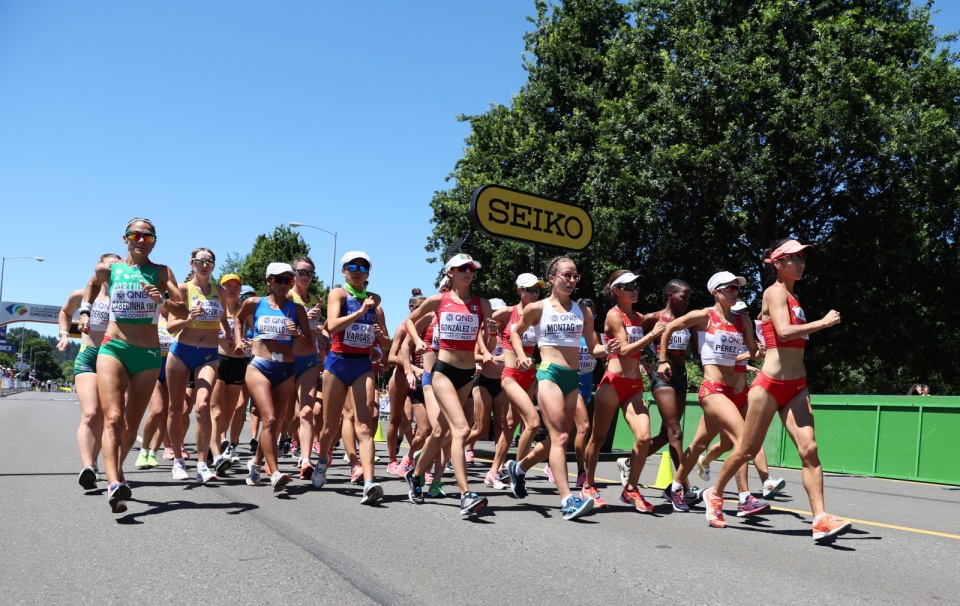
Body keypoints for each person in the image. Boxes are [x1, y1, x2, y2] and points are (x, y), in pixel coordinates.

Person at [712, 239, 851, 541]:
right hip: (770, 385)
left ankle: (820, 519)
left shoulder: (794, 296)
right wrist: (823, 323)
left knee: (810, 450)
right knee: (747, 450)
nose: (800, 263)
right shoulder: (774, 292)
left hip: (797, 385)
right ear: (777, 263)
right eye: (793, 258)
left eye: (803, 258)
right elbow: (785, 331)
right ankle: (716, 492)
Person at [79, 218, 187, 513]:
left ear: (154, 242)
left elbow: (182, 307)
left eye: (147, 237)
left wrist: (162, 298)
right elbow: (91, 284)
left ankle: (117, 468)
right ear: (125, 238)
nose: (141, 240)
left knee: (129, 423)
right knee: (112, 417)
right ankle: (114, 484)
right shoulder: (109, 269)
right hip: (114, 347)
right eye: (135, 235)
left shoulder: (162, 272)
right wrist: (86, 311)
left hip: (148, 354)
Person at [504, 256, 618, 521]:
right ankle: (567, 499)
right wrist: (521, 355)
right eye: (566, 275)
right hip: (549, 375)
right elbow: (515, 333)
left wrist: (608, 349)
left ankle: (518, 468)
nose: (571, 280)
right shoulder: (538, 308)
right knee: (562, 439)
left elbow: (594, 348)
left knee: (554, 440)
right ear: (552, 278)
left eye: (575, 276)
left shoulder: (584, 312)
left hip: (573, 378)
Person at [657, 271, 768, 522]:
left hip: (734, 392)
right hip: (712, 390)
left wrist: (763, 349)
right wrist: (663, 359)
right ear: (715, 292)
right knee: (744, 441)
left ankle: (674, 488)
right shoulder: (703, 316)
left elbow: (754, 353)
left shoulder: (743, 322)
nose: (734, 291)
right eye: (728, 287)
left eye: (736, 288)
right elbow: (670, 327)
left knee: (698, 445)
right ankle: (740, 497)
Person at [403, 253, 497, 516]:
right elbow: (410, 321)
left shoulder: (483, 304)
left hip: (467, 375)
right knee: (462, 429)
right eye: (462, 268)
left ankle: (416, 474)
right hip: (442, 372)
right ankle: (466, 494)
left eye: (471, 268)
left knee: (440, 432)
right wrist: (418, 342)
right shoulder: (439, 300)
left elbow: (487, 345)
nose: (468, 272)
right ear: (450, 273)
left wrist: (491, 334)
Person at [581, 270, 665, 511]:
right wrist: (652, 335)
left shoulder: (638, 316)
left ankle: (630, 489)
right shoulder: (613, 315)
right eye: (628, 286)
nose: (634, 289)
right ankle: (588, 484)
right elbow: (626, 351)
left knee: (644, 438)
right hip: (613, 382)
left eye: (636, 285)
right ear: (616, 290)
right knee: (597, 438)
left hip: (635, 385)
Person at [311, 252, 389, 506]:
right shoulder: (338, 294)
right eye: (352, 267)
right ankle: (322, 462)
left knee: (365, 426)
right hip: (338, 363)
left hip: (363, 365)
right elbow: (332, 326)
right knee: (329, 427)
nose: (357, 271)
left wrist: (380, 334)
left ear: (368, 273)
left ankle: (369, 482)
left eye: (363, 267)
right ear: (344, 270)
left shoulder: (375, 300)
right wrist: (360, 312)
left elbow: (386, 341)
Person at [234, 262, 310, 493]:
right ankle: (274, 471)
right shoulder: (254, 303)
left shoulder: (297, 310)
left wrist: (296, 333)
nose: (282, 284)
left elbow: (308, 343)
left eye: (287, 280)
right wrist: (239, 340)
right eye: (278, 279)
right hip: (259, 366)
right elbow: (238, 319)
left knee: (276, 422)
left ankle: (256, 463)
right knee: (269, 418)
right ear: (268, 281)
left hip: (286, 368)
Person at [165, 248, 231, 483]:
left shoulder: (220, 291)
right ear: (191, 264)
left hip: (208, 355)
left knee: (202, 407)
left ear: (213, 265)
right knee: (177, 409)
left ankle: (203, 463)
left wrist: (230, 334)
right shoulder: (183, 290)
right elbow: (171, 327)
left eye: (209, 261)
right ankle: (178, 461)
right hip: (181, 352)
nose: (204, 265)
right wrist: (188, 319)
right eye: (199, 261)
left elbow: (223, 318)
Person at [57, 253, 122, 489]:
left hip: (115, 358)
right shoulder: (81, 295)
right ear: (99, 268)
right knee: (91, 413)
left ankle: (96, 461)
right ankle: (88, 466)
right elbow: (65, 313)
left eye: (117, 266)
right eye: (106, 266)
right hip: (89, 354)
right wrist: (65, 336)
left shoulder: (125, 295)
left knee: (109, 417)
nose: (111, 270)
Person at [487, 274, 544, 490]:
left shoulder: (539, 315)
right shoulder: (506, 312)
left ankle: (494, 471)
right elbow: (485, 335)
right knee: (532, 422)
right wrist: (491, 337)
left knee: (511, 425)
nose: (534, 294)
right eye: (530, 290)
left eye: (537, 290)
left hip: (530, 376)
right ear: (519, 290)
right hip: (510, 374)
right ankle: (517, 472)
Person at [287, 256, 324, 480]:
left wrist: (322, 333)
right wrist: (303, 319)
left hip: (309, 358)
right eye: (302, 272)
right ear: (293, 274)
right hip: (287, 360)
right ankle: (264, 459)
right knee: (282, 416)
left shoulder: (316, 300)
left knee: (307, 412)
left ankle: (306, 460)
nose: (306, 276)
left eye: (310, 273)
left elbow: (318, 328)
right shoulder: (287, 296)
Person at [210, 273, 247, 467]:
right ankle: (216, 453)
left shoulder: (245, 311)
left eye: (236, 286)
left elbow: (258, 333)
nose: (232, 289)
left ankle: (212, 446)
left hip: (239, 363)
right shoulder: (216, 308)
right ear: (221, 289)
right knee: (215, 412)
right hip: (218, 360)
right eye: (228, 286)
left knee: (228, 414)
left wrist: (249, 341)